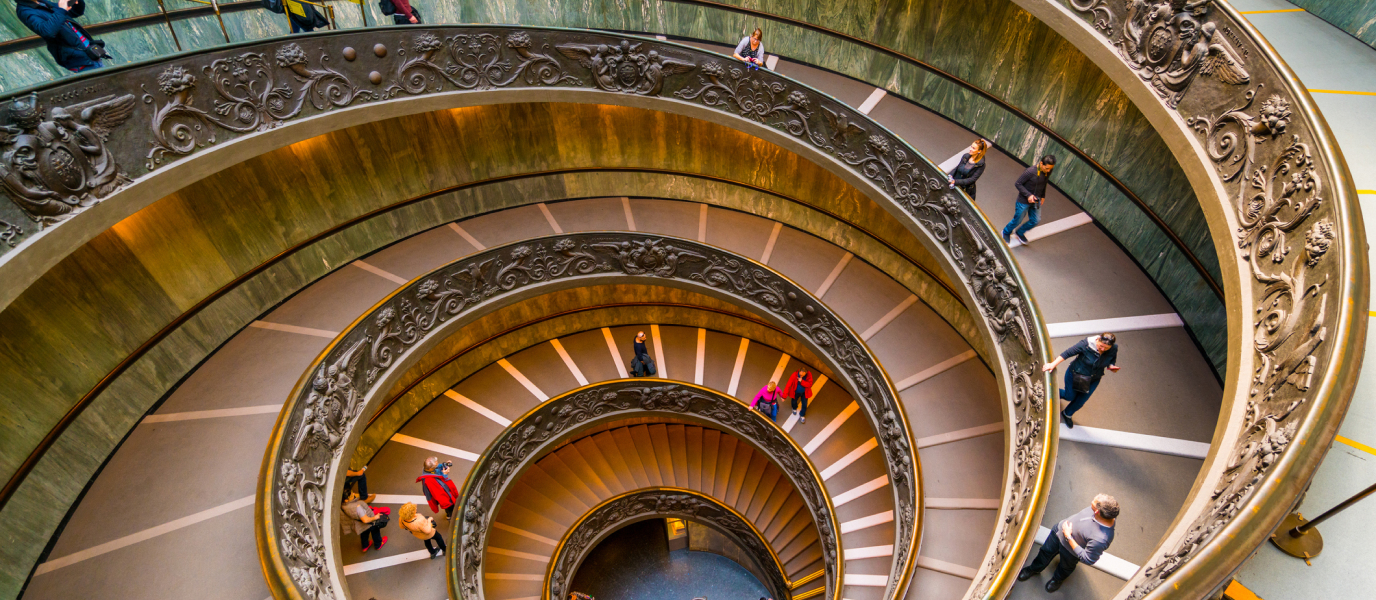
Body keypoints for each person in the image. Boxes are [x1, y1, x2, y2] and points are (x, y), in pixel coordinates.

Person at [1018, 494, 1119, 592]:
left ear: (1097, 512)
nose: (1092, 500)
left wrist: (1068, 536)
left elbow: (1088, 559)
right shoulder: (1103, 510)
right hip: (1058, 532)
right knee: (1045, 552)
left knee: (1065, 567)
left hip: (1071, 552)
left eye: (1094, 501)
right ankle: (1034, 569)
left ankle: (1057, 580)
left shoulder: (1101, 539)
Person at [1042, 332, 1119, 429]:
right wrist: (1052, 364)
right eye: (1101, 346)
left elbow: (1111, 359)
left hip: (1093, 379)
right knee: (1069, 396)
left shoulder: (1113, 348)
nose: (1103, 349)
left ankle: (1067, 414)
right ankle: (1050, 391)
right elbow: (1067, 353)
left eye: (1106, 348)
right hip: (1076, 374)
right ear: (1097, 339)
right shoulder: (1085, 345)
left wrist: (1111, 366)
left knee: (1080, 401)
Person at [15, 0, 109, 73]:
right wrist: (61, 9)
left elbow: (75, 12)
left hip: (89, 51)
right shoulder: (24, 11)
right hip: (79, 57)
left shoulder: (41, 2)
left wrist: (75, 2)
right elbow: (47, 31)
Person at [1002, 155, 1056, 245]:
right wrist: (1028, 195)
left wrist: (1043, 196)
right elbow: (1018, 183)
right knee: (1018, 220)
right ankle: (1006, 232)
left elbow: (1044, 183)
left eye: (1050, 169)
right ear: (1041, 163)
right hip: (1023, 201)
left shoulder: (1047, 171)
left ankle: (1019, 232)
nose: (1049, 171)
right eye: (1047, 168)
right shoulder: (1030, 171)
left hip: (1036, 200)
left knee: (1036, 220)